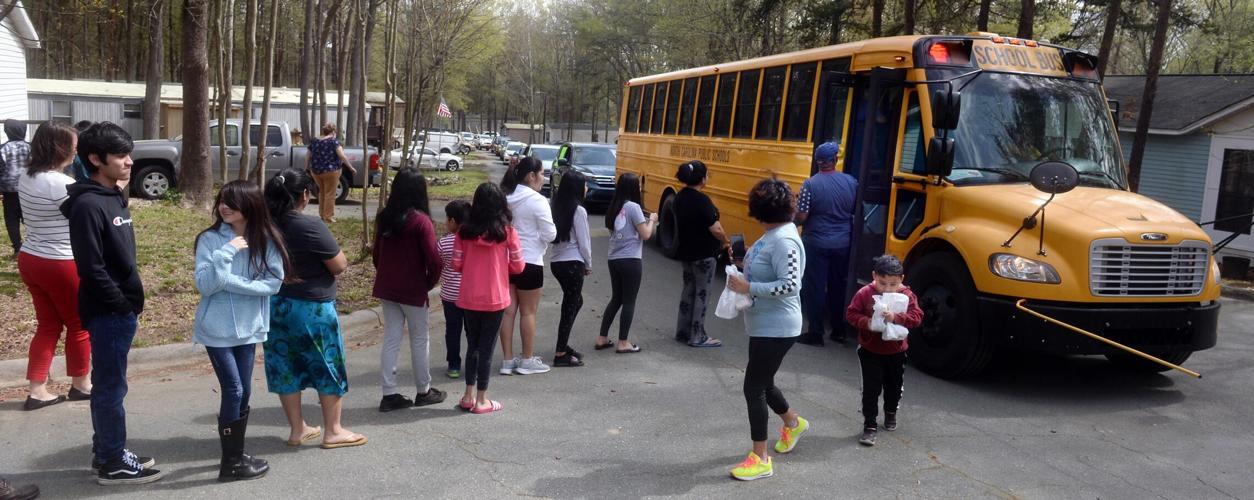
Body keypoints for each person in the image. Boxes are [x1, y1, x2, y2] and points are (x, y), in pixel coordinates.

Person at [62, 122, 163, 485]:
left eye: (128, 154)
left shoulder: (114, 195)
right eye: (120, 156)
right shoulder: (88, 205)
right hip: (108, 312)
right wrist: (121, 303)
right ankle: (112, 463)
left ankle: (106, 450)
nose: (129, 162)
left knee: (111, 385)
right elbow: (91, 267)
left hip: (120, 308)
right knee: (110, 388)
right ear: (95, 159)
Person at [193, 180, 291, 481]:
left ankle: (235, 453)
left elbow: (272, 285)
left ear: (249, 206)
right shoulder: (210, 240)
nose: (223, 206)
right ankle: (231, 463)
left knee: (245, 390)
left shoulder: (267, 239)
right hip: (216, 329)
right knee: (234, 389)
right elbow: (206, 284)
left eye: (231, 202)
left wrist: (231, 283)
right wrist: (227, 252)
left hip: (250, 329)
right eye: (222, 200)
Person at [262, 168, 366, 449]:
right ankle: (333, 430)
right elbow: (340, 264)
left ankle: (297, 429)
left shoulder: (261, 225)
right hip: (311, 308)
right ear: (304, 195)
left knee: (285, 366)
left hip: (274, 306)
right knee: (326, 365)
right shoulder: (309, 226)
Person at [724, 179, 810, 481]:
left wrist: (749, 286)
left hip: (778, 327)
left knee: (754, 387)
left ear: (759, 210)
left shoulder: (784, 240)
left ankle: (760, 458)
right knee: (764, 382)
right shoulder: (773, 234)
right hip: (764, 324)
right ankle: (793, 422)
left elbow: (790, 285)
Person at [17, 122, 91, 411]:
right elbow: (86, 216)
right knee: (79, 324)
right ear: (59, 148)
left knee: (47, 325)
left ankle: (37, 390)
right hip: (60, 261)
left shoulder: (27, 175)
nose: (76, 151)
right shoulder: (62, 184)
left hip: (31, 258)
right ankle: (81, 385)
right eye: (73, 146)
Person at [372, 167, 446, 412]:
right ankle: (423, 390)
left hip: (387, 287)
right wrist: (428, 282)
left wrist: (386, 274)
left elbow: (377, 256)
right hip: (413, 289)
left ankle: (388, 393)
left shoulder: (384, 217)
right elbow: (434, 260)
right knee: (419, 339)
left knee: (391, 338)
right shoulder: (421, 222)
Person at [454, 182, 525, 414]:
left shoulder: (463, 232)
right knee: (487, 348)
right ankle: (482, 400)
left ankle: (468, 395)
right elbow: (518, 265)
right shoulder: (507, 233)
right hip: (495, 297)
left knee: (472, 346)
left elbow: (456, 264)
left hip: (469, 296)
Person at [844, 254, 923, 447]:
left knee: (894, 386)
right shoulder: (865, 293)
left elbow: (917, 317)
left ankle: (890, 412)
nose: (887, 289)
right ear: (874, 276)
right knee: (871, 389)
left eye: (893, 284)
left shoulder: (907, 295)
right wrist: (868, 323)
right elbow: (851, 314)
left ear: (901, 280)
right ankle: (869, 425)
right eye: (882, 283)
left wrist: (896, 317)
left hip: (896, 351)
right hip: (870, 349)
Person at [498, 157, 556, 375]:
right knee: (528, 312)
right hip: (530, 261)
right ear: (531, 176)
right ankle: (527, 360)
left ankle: (507, 360)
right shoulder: (538, 200)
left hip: (506, 260)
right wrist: (538, 239)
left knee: (508, 312)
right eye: (542, 173)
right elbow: (551, 234)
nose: (543, 178)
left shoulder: (506, 196)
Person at [796, 141, 858, 346]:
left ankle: (815, 332)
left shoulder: (810, 184)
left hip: (816, 243)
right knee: (837, 286)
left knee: (814, 287)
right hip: (843, 243)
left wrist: (792, 222)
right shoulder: (851, 182)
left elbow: (803, 216)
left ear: (818, 162)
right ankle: (839, 330)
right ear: (835, 160)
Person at [672, 160, 729, 348]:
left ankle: (682, 332)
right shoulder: (702, 200)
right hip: (704, 254)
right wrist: (725, 241)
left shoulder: (679, 197)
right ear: (702, 178)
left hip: (686, 252)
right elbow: (716, 228)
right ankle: (697, 335)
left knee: (688, 291)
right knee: (702, 294)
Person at [597, 172, 656, 353]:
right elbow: (646, 234)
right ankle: (623, 342)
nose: (640, 188)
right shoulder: (633, 207)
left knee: (617, 298)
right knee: (629, 301)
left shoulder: (615, 206)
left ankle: (602, 338)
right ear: (632, 188)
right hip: (631, 259)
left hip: (614, 259)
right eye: (638, 185)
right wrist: (652, 220)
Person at [547, 170, 591, 367]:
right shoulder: (579, 211)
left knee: (575, 301)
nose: (586, 188)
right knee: (570, 305)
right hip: (573, 263)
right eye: (584, 184)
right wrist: (588, 264)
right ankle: (560, 353)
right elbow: (584, 242)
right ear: (577, 188)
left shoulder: (554, 206)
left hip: (557, 262)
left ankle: (563, 345)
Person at [438, 200, 471, 379]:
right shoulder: (474, 241)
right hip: (470, 294)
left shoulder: (444, 243)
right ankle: (474, 362)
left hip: (450, 295)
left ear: (452, 221)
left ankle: (454, 365)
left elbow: (437, 264)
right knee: (471, 330)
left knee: (452, 330)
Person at [305, 123, 356, 223]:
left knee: (322, 192)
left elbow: (307, 155)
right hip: (331, 171)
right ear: (333, 132)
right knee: (330, 193)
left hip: (316, 171)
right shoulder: (334, 142)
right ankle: (328, 216)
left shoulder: (315, 141)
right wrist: (351, 167)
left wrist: (305, 167)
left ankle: (322, 214)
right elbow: (342, 156)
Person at [2, 119, 31, 256]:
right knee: (29, 218)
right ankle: (33, 244)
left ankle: (17, 248)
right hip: (29, 189)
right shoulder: (31, 147)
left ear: (7, 132)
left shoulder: (3, 148)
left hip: (9, 191)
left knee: (11, 220)